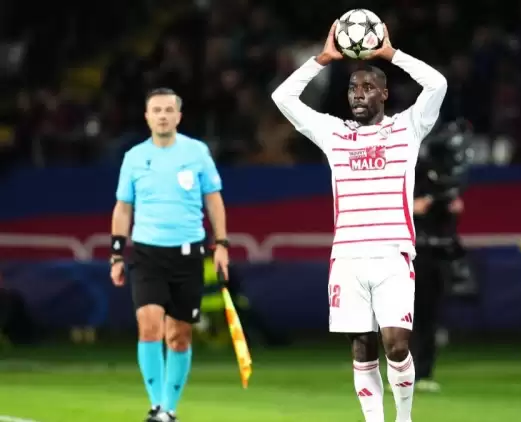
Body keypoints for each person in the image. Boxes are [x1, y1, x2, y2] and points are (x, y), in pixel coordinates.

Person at [271, 22, 447, 422]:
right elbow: (282, 97)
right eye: (353, 88)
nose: (359, 94)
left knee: (396, 344)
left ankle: (404, 417)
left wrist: (391, 54)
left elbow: (437, 84)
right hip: (348, 258)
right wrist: (322, 59)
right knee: (362, 347)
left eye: (368, 87)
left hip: (392, 255)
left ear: (384, 93)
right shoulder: (334, 133)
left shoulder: (407, 127)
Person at [110, 88, 229, 422]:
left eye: (168, 110)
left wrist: (222, 244)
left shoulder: (197, 152)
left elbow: (214, 200)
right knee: (149, 326)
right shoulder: (134, 157)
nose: (162, 115)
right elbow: (123, 207)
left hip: (187, 255)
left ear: (178, 116)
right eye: (156, 110)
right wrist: (117, 254)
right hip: (146, 254)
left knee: (179, 336)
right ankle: (156, 406)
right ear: (147, 117)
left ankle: (169, 408)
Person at [410, 120, 472, 393]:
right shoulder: (409, 175)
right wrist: (410, 206)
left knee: (429, 316)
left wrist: (450, 209)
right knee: (403, 317)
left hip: (435, 253)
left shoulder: (447, 182)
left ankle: (423, 372)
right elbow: (387, 207)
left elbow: (448, 216)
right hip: (408, 254)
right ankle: (399, 370)